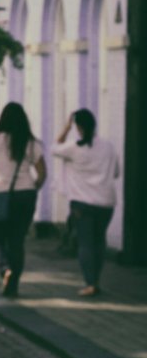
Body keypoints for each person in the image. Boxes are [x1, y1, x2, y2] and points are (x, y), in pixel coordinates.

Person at [0, 102, 47, 297]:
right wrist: (33, 187)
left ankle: (5, 268)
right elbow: (42, 173)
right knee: (17, 240)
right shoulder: (32, 142)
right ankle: (13, 284)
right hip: (25, 195)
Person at [52, 109, 120, 297]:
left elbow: (54, 147)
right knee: (99, 242)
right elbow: (116, 172)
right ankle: (95, 279)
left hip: (83, 203)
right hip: (106, 203)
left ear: (78, 128)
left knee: (85, 243)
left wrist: (66, 128)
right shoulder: (108, 146)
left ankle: (90, 283)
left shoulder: (74, 147)